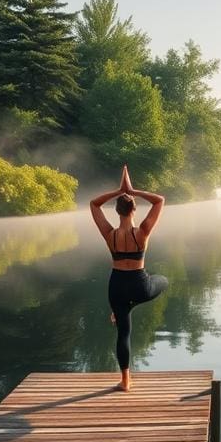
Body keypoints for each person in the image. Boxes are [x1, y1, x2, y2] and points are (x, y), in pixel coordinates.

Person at [90, 165, 168, 391]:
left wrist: (118, 190)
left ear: (117, 211)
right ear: (134, 209)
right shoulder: (142, 232)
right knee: (163, 280)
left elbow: (94, 204)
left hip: (116, 287)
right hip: (140, 286)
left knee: (123, 333)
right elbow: (159, 200)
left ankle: (125, 381)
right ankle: (128, 307)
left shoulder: (109, 233)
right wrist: (133, 190)